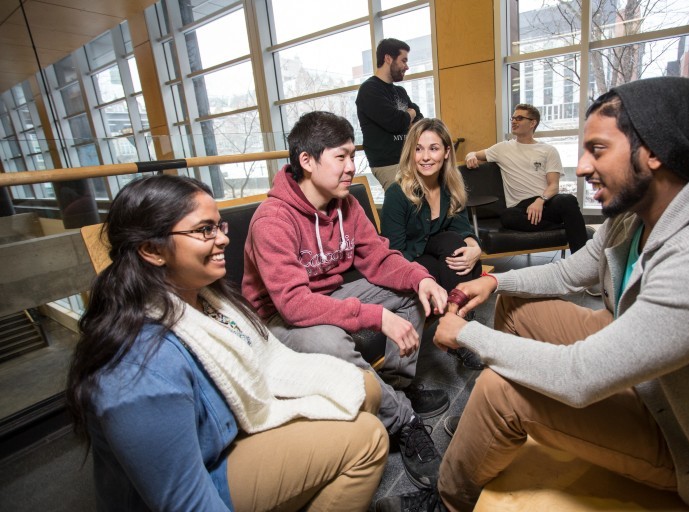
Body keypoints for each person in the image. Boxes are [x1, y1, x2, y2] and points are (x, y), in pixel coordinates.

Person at [416, 77, 689, 512]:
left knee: (501, 389)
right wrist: (496, 281)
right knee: (515, 307)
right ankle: (490, 427)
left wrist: (466, 335)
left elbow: (581, 376)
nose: (580, 168)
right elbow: (576, 270)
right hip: (644, 365)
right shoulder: (635, 214)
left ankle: (450, 499)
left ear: (653, 152)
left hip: (684, 439)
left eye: (597, 149)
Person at [66, 174, 389, 512]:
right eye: (205, 230)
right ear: (151, 249)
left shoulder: (204, 297)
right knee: (367, 437)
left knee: (365, 387)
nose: (222, 240)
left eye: (220, 227)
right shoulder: (139, 369)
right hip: (208, 474)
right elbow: (184, 502)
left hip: (228, 430)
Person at [242, 111, 449, 489]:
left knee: (412, 292)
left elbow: (380, 258)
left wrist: (421, 277)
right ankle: (403, 421)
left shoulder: (347, 205)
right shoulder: (272, 220)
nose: (352, 167)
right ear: (307, 161)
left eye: (353, 156)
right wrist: (373, 316)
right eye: (341, 157)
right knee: (328, 340)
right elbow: (293, 305)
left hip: (329, 295)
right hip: (278, 319)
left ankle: (393, 385)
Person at [381, 118, 484, 371]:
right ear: (410, 153)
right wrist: (424, 277)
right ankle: (462, 333)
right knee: (452, 260)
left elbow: (461, 226)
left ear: (447, 152)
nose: (425, 157)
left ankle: (455, 327)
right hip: (408, 265)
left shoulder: (449, 185)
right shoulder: (397, 193)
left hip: (437, 256)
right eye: (418, 148)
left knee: (454, 243)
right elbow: (394, 253)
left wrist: (474, 247)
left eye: (433, 148)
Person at [464, 103, 588, 252]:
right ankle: (567, 227)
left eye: (520, 118)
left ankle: (580, 256)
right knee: (507, 217)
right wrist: (470, 155)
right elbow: (475, 154)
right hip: (520, 208)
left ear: (532, 123)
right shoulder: (502, 148)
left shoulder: (548, 150)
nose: (514, 121)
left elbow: (554, 185)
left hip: (545, 202)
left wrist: (540, 200)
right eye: (513, 118)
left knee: (567, 199)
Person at [356, 38, 423, 192]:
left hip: (409, 160)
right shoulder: (370, 90)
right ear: (388, 58)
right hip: (388, 164)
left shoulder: (400, 91)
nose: (407, 66)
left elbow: (419, 119)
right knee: (403, 206)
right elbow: (395, 123)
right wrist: (409, 114)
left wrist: (409, 116)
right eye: (403, 60)